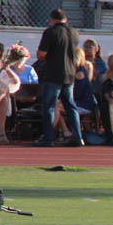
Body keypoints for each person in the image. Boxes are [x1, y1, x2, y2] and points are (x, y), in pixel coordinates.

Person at [35, 8, 82, 147]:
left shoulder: (50, 32)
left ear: (52, 20)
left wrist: (45, 56)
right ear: (65, 19)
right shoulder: (74, 32)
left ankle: (48, 138)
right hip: (70, 73)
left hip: (54, 74)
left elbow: (42, 54)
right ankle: (78, 136)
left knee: (49, 106)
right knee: (70, 105)